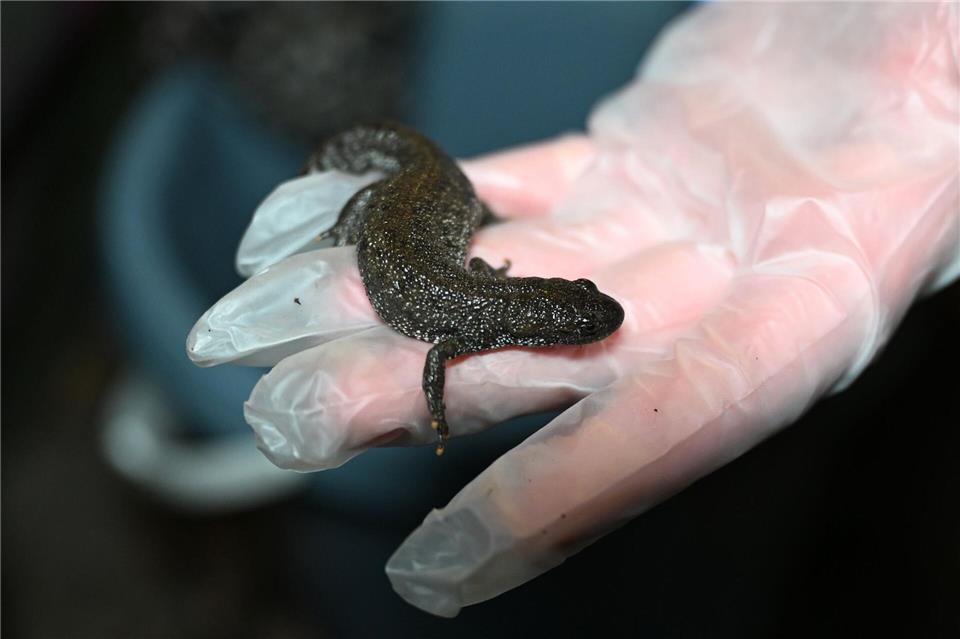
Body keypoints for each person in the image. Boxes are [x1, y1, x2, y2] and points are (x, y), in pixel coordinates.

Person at [187, 1, 958, 617]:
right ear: (536, 323)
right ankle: (352, 211)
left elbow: (457, 319)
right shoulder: (474, 321)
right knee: (396, 219)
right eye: (582, 314)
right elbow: (433, 358)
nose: (591, 318)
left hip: (427, 213)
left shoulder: (483, 314)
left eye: (582, 309)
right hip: (407, 206)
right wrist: (437, 407)